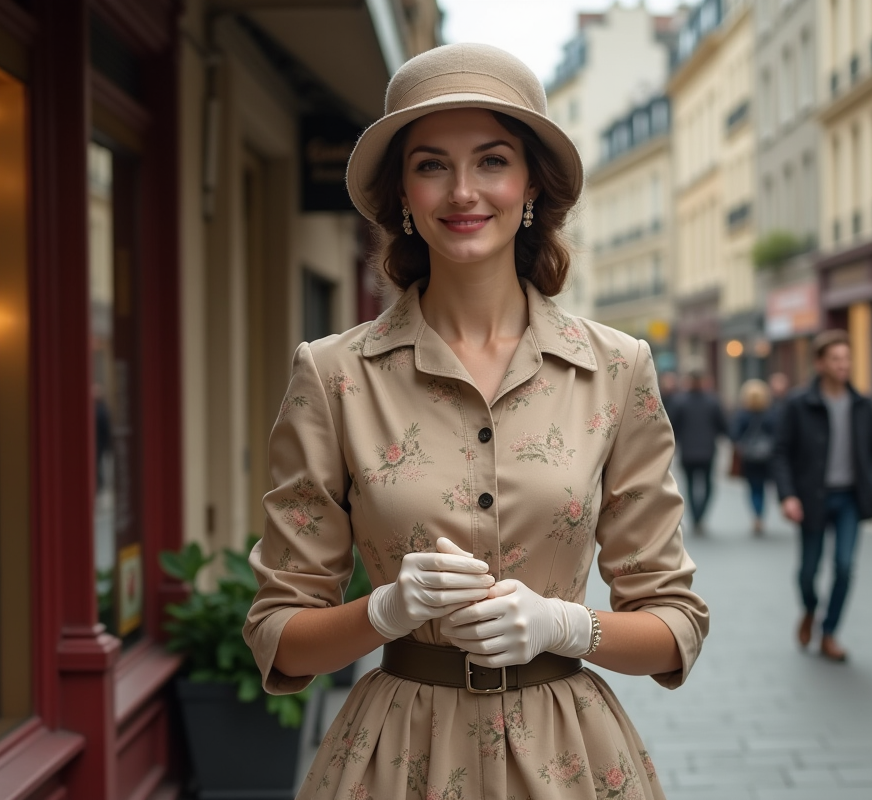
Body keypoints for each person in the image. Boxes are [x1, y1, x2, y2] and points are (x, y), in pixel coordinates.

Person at [242, 44, 709, 799]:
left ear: (531, 185)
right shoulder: (333, 376)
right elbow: (279, 638)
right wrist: (386, 610)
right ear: (403, 192)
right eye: (431, 165)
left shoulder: (617, 369)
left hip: (570, 759)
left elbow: (675, 626)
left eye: (492, 161)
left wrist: (566, 625)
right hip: (395, 761)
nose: (463, 191)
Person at [772, 329, 872, 662]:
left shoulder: (862, 403)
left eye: (847, 358)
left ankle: (830, 632)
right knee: (808, 571)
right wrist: (788, 496)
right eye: (836, 359)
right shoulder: (798, 403)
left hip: (850, 498)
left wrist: (871, 483)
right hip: (812, 499)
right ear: (819, 363)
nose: (843, 365)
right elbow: (781, 452)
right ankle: (810, 609)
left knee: (845, 567)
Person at [672, 370, 727, 535]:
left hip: (688, 451)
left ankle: (696, 517)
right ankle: (700, 515)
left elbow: (673, 427)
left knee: (690, 485)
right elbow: (723, 426)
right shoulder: (712, 401)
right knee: (708, 485)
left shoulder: (680, 402)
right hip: (707, 451)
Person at [730, 379, 775, 536]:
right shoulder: (770, 414)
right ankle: (760, 514)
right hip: (766, 456)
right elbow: (777, 433)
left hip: (749, 456)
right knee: (762, 487)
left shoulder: (742, 414)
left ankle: (756, 515)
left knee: (753, 487)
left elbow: (734, 434)